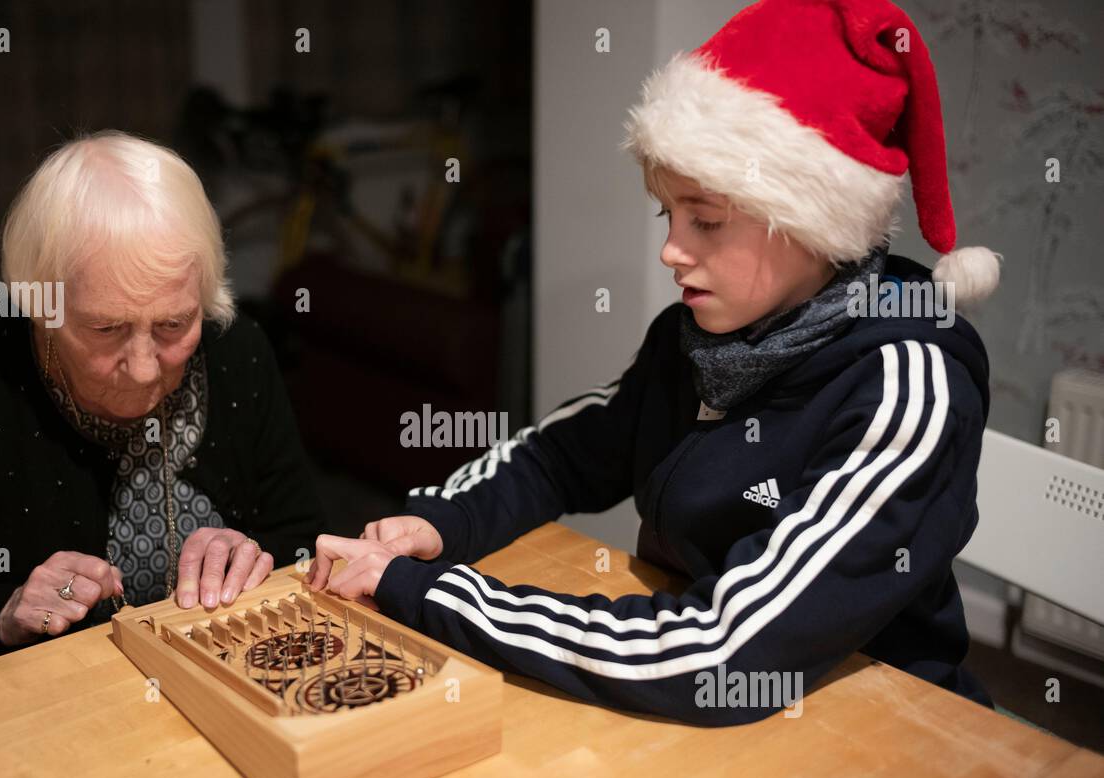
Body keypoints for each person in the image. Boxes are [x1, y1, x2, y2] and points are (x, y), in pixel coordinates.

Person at [308, 0, 1002, 725]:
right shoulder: (700, 335)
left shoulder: (907, 389)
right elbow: (564, 455)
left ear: (812, 221)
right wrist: (445, 523)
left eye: (705, 220)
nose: (672, 250)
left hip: (882, 725)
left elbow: (721, 654)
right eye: (666, 215)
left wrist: (435, 592)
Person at [0, 131, 323, 680]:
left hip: (211, 685)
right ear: (40, 305)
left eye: (173, 324)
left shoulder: (238, 350)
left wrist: (255, 552)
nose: (144, 367)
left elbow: (302, 531)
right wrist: (4, 610)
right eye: (106, 328)